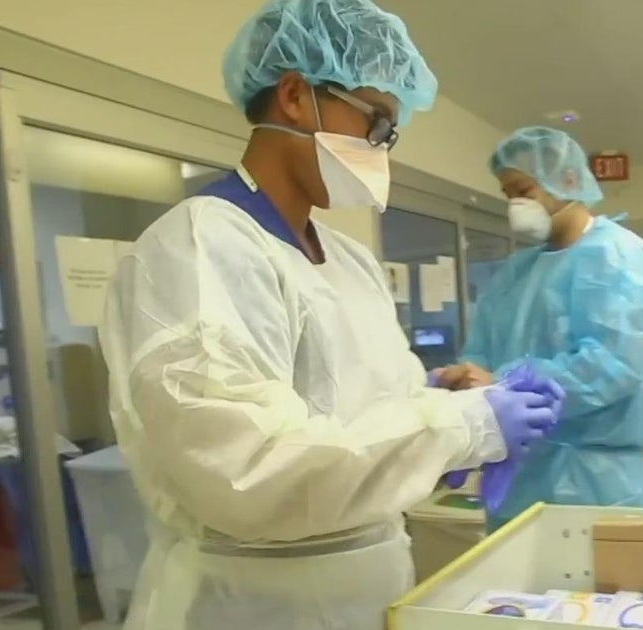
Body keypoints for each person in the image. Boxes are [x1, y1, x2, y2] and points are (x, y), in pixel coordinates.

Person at [97, 2, 561, 629]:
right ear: (294, 94)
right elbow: (249, 471)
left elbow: (355, 410)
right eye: (376, 123)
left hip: (368, 592)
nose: (381, 149)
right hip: (250, 606)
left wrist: (431, 396)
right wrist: (462, 427)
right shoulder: (202, 246)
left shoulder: (347, 259)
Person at [438, 127, 643, 530]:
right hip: (516, 478)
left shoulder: (618, 257)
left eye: (523, 190)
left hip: (596, 484)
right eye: (507, 193)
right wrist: (461, 382)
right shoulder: (517, 271)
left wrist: (505, 384)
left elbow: (611, 367)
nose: (514, 204)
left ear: (567, 180)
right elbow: (482, 349)